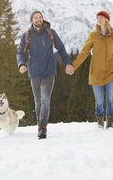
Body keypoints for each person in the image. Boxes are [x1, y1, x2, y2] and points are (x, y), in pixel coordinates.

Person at [17, 11, 74, 139]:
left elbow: (61, 48)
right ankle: (40, 125)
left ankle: (42, 126)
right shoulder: (26, 35)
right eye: (36, 17)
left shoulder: (50, 33)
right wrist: (21, 64)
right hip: (34, 72)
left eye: (40, 17)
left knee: (45, 99)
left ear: (43, 19)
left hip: (49, 71)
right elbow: (20, 52)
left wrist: (68, 63)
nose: (38, 19)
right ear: (32, 20)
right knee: (37, 101)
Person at [69, 10, 113, 129]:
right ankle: (100, 121)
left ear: (107, 20)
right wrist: (73, 66)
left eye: (101, 17)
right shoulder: (93, 35)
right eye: (98, 18)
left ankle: (110, 122)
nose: (99, 19)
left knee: (110, 97)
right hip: (95, 73)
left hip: (111, 71)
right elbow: (84, 52)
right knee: (99, 100)